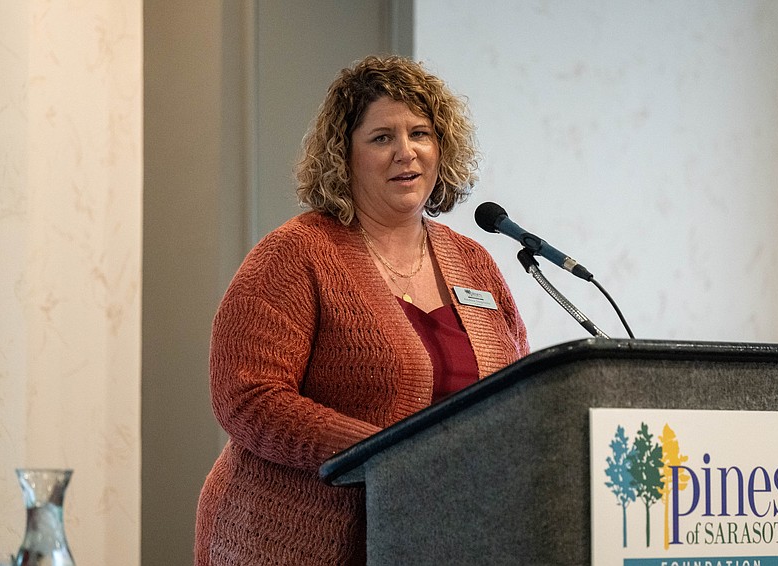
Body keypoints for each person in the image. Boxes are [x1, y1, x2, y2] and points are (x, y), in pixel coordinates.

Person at [194, 54, 529, 565]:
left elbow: (518, 394)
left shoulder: (474, 263)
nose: (406, 153)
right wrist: (388, 455)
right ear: (343, 155)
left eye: (420, 133)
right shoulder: (295, 254)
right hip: (296, 543)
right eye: (381, 138)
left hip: (441, 541)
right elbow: (247, 397)